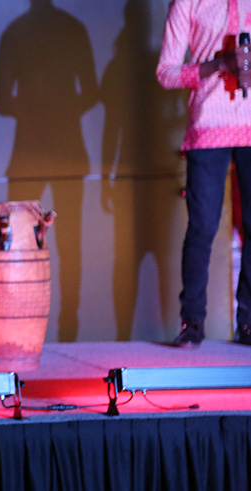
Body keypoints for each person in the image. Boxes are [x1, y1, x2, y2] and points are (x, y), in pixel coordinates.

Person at [157, 0, 251, 348]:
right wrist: (219, 64)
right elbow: (165, 72)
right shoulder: (189, 2)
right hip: (210, 125)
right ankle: (192, 322)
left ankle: (249, 322)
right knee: (202, 227)